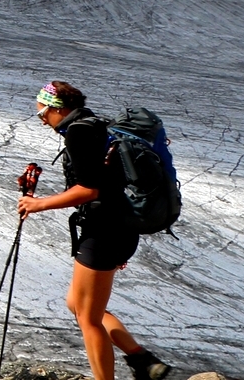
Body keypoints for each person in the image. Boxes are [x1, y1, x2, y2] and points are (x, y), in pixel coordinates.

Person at [17, 81, 172, 380]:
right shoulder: (96, 125)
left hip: (103, 231)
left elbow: (89, 189)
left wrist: (38, 204)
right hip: (118, 228)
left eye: (42, 113)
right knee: (76, 304)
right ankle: (143, 360)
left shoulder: (79, 133)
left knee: (88, 318)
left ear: (58, 109)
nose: (42, 120)